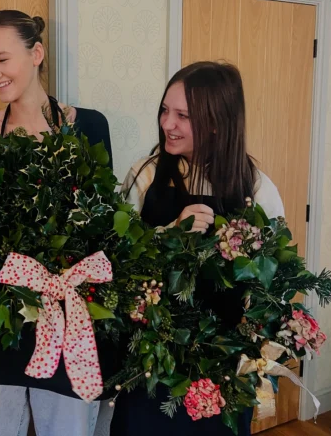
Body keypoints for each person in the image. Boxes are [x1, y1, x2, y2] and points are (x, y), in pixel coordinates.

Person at [0, 10, 115, 436]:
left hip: (69, 321)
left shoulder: (91, 127)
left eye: (3, 60)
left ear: (37, 53)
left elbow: (103, 224)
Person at [112, 61, 284, 436]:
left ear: (216, 123)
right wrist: (171, 232)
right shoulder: (145, 174)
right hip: (149, 360)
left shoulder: (257, 189)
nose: (166, 124)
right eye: (164, 110)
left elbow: (274, 283)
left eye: (182, 115)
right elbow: (114, 260)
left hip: (221, 367)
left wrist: (257, 357)